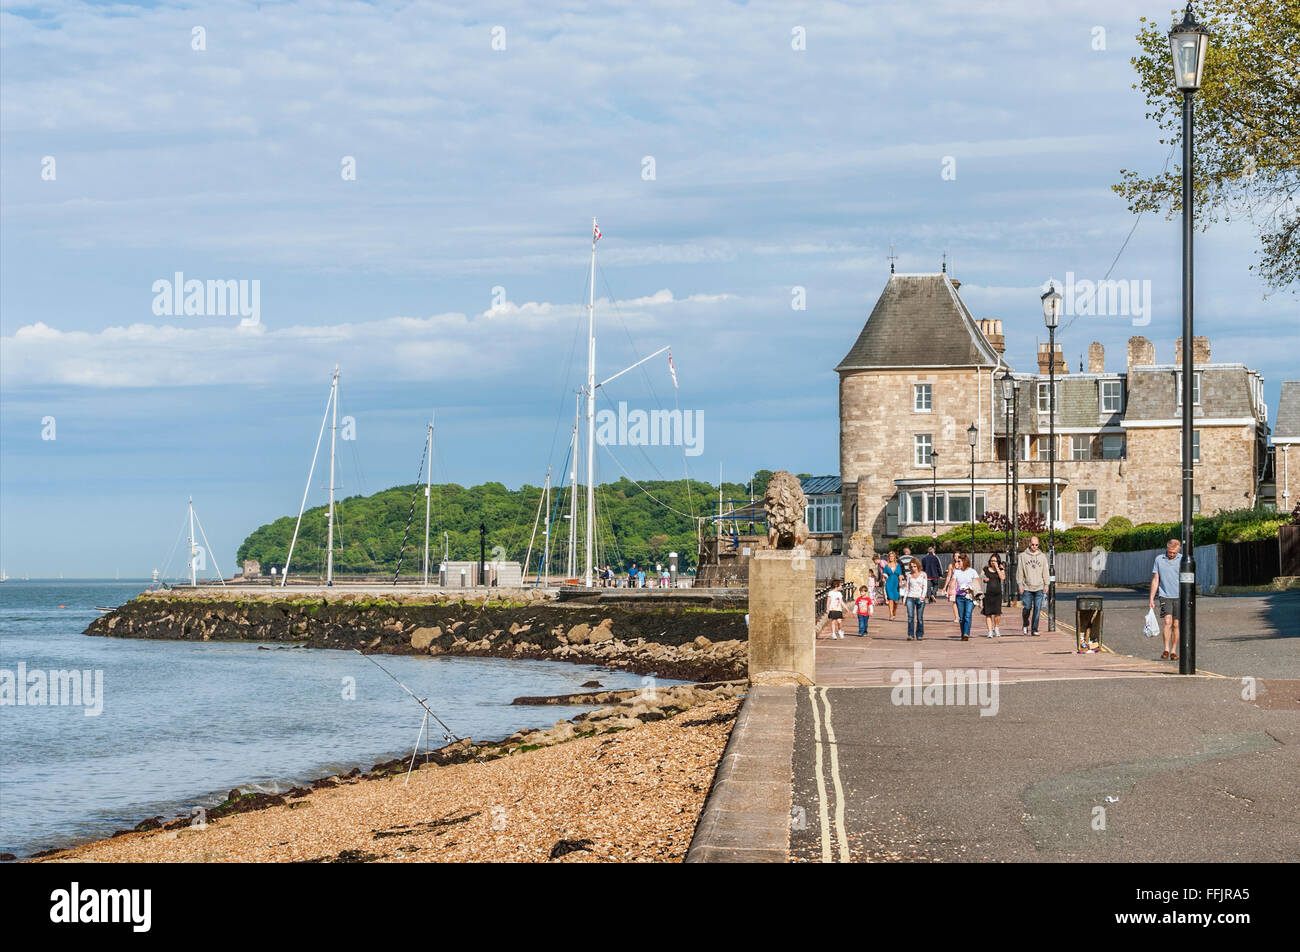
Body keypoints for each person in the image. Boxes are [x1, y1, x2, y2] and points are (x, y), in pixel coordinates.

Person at [1149, 538, 1182, 661]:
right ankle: (1166, 649)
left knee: (1176, 624)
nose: (1172, 555)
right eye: (1170, 552)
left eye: (1174, 553)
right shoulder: (1159, 559)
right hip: (1165, 595)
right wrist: (1151, 598)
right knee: (1167, 622)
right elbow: (1156, 579)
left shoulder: (1182, 560)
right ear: (1167, 549)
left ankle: (1174, 650)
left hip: (1179, 596)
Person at [1018, 535, 1049, 636]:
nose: (1034, 546)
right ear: (1029, 544)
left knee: (1037, 609)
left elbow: (1045, 572)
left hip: (1039, 587)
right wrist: (1020, 584)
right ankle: (1025, 623)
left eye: (1036, 545)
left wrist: (1046, 585)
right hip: (1027, 587)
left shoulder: (1042, 556)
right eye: (1033, 544)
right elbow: (1020, 571)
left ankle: (1034, 629)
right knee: (1027, 607)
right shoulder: (1022, 556)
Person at [952, 553, 980, 641]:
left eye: (959, 561)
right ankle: (963, 632)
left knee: (967, 615)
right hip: (959, 596)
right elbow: (953, 581)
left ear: (964, 561)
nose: (957, 563)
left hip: (969, 596)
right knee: (961, 617)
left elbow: (978, 582)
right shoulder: (957, 571)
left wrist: (970, 588)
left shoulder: (972, 571)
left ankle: (966, 633)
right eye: (956, 561)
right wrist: (950, 590)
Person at [902, 560, 929, 641]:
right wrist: (904, 598)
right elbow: (907, 588)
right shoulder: (909, 575)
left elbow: (925, 586)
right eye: (912, 567)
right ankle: (910, 634)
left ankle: (919, 634)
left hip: (920, 597)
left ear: (918, 566)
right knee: (910, 617)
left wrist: (923, 596)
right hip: (910, 597)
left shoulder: (923, 574)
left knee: (919, 617)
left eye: (915, 566)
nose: (913, 568)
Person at [981, 555, 1006, 638]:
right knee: (988, 613)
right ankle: (990, 631)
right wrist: (984, 579)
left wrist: (997, 568)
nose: (993, 562)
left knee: (997, 613)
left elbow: (1002, 578)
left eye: (995, 561)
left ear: (998, 561)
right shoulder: (985, 569)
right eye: (991, 560)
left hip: (997, 595)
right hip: (987, 594)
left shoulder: (1001, 569)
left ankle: (996, 628)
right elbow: (980, 577)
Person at [882, 551, 904, 620]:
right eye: (890, 556)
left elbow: (900, 574)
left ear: (894, 557)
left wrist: (900, 582)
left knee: (896, 601)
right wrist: (883, 578)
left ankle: (894, 611)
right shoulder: (886, 566)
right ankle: (891, 614)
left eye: (892, 556)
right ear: (888, 557)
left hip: (896, 583)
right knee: (890, 599)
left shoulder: (898, 565)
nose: (891, 558)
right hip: (889, 583)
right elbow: (884, 574)